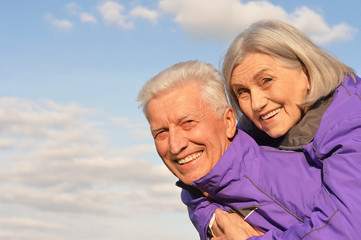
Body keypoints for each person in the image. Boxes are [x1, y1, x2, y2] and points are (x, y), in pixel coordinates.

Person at [137, 60, 324, 240]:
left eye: (188, 123)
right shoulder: (199, 190)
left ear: (228, 121)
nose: (175, 146)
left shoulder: (289, 180)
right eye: (161, 133)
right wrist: (211, 221)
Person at [212, 20, 361, 239]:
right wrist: (214, 221)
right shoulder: (256, 125)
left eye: (266, 80)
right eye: (242, 91)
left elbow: (345, 231)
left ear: (306, 71)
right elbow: (203, 168)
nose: (256, 103)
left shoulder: (352, 123)